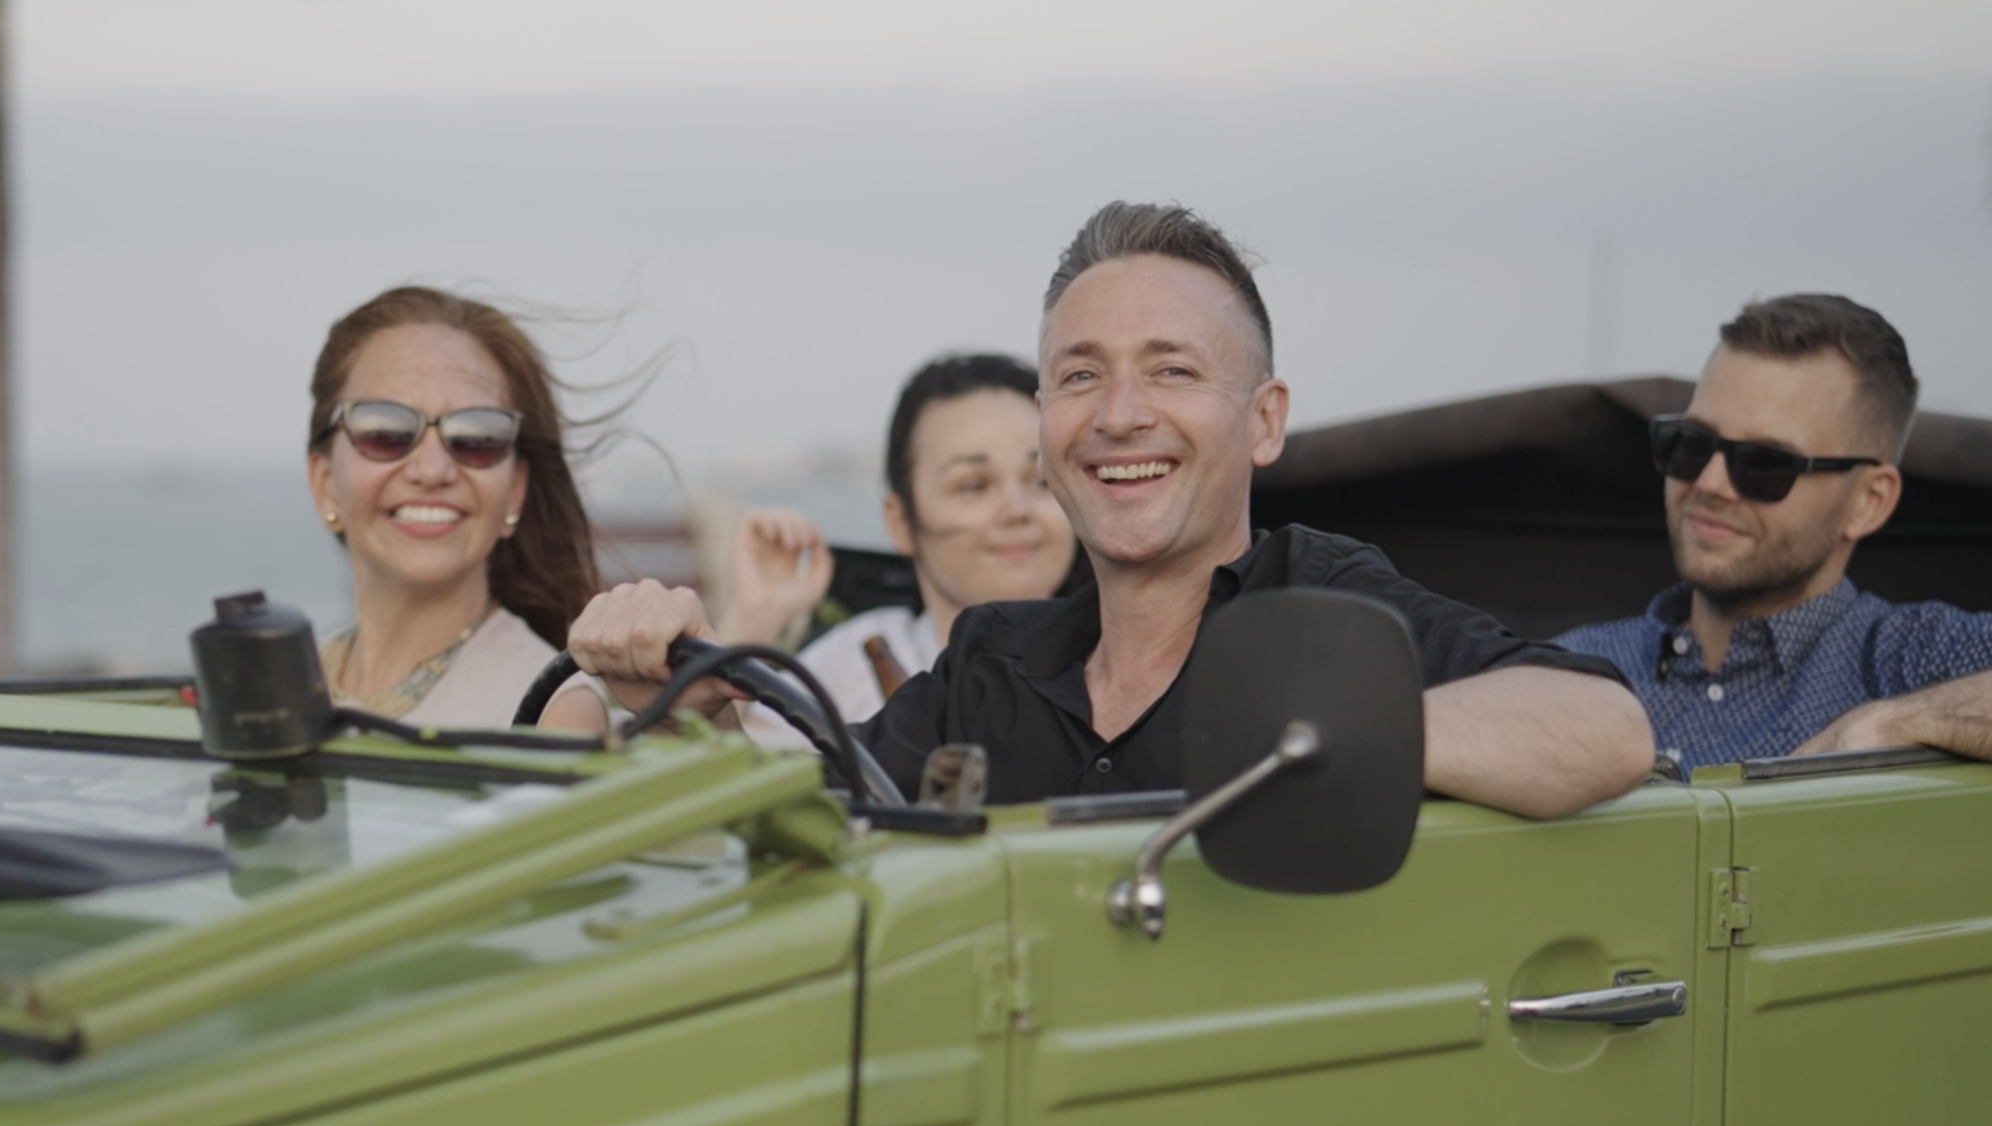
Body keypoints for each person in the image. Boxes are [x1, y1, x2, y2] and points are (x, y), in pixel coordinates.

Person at [549, 201, 1655, 819]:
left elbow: (1603, 730)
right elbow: (817, 809)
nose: (1119, 415)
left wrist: (1324, 734)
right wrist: (687, 692)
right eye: (1080, 377)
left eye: (1170, 371)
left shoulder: (1319, 594)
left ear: (1263, 422)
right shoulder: (991, 656)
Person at [1554, 295, 1992, 769]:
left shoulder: (1912, 661)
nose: (1709, 483)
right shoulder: (1572, 664)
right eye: (1691, 444)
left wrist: (1887, 726)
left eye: (1765, 463)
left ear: (1868, 502)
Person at [715, 353, 1078, 729]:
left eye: (1041, 481)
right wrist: (756, 617)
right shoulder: (855, 660)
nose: (1016, 510)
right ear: (901, 521)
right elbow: (706, 763)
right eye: (973, 485)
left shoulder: (1123, 657)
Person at [304, 286, 601, 724]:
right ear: (325, 484)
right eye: (384, 431)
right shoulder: (278, 685)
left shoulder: (553, 708)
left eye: (476, 438)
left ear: (514, 490)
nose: (432, 470)